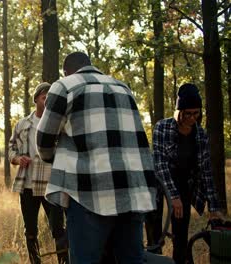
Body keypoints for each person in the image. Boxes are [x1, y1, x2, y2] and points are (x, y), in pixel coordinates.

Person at [36, 51, 157, 263]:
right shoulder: (123, 88)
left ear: (67, 71)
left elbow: (44, 141)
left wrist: (55, 155)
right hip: (132, 192)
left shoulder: (64, 86)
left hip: (88, 194)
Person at [153, 83, 222, 264]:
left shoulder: (201, 135)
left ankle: (179, 260)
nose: (192, 118)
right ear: (179, 111)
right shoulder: (162, 128)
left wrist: (213, 207)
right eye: (188, 113)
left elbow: (206, 170)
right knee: (154, 231)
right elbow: (160, 164)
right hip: (160, 184)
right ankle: (155, 257)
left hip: (185, 185)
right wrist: (172, 196)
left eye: (196, 113)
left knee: (181, 235)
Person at [8, 83, 68, 264]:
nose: (48, 101)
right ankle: (35, 261)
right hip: (28, 185)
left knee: (58, 229)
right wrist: (18, 159)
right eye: (44, 98)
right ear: (36, 99)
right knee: (30, 230)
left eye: (51, 98)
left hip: (52, 184)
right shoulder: (22, 124)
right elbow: (11, 149)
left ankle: (64, 261)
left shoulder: (59, 124)